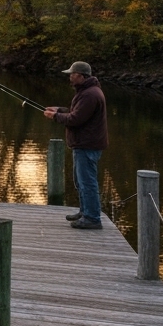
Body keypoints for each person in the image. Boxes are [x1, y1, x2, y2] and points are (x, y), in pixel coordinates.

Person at [43, 61, 108, 230]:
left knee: (87, 183)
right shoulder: (87, 92)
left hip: (87, 145)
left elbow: (75, 119)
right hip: (83, 144)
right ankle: (85, 212)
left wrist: (55, 116)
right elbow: (76, 112)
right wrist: (58, 109)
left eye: (72, 74)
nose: (70, 77)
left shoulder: (90, 95)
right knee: (81, 182)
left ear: (81, 75)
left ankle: (92, 218)